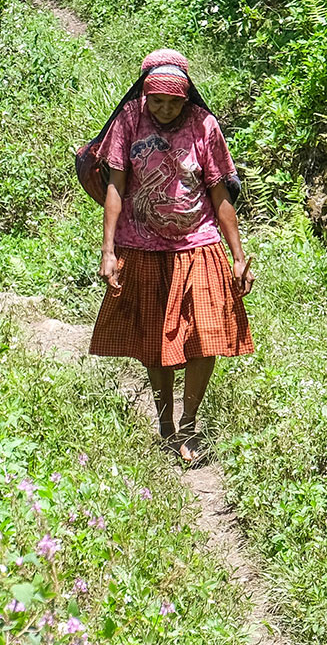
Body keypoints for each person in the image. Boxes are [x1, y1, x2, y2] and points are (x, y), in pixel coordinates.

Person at [88, 49, 254, 462]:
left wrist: (238, 254)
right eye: (156, 101)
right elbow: (115, 187)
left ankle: (190, 424)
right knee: (152, 338)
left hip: (198, 242)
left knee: (206, 334)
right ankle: (165, 422)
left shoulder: (204, 126)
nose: (164, 109)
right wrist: (108, 251)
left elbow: (220, 192)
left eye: (173, 102)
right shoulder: (129, 119)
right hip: (141, 247)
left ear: (187, 98)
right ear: (144, 95)